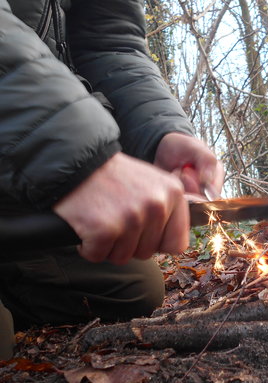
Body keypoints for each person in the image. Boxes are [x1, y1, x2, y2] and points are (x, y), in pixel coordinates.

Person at [0, 0, 224, 360]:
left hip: (18, 179)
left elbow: (109, 41)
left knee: (133, 291)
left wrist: (161, 133)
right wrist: (79, 158)